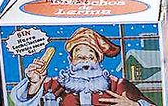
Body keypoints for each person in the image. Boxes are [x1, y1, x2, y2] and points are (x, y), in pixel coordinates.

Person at [10, 27, 154, 106]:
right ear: (71, 60)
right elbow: (20, 102)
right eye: (80, 57)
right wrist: (34, 84)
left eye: (91, 57)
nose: (85, 61)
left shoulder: (118, 85)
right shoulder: (53, 84)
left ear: (98, 60)